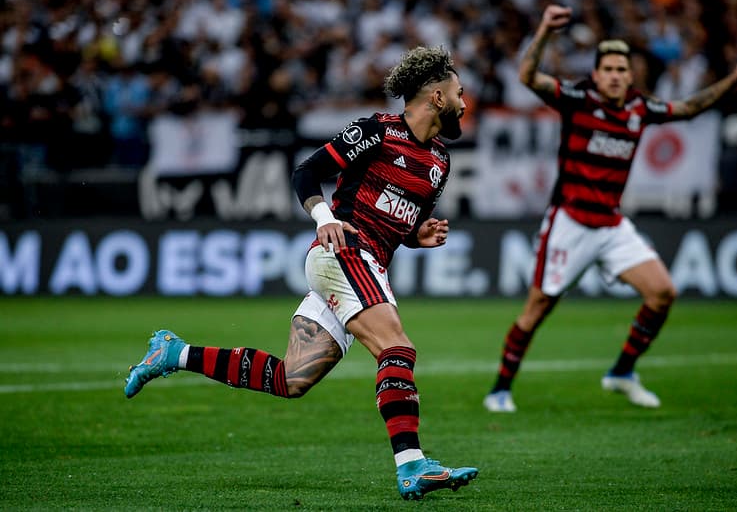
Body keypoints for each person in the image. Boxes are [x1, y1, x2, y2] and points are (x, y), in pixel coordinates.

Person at [124, 45, 478, 500]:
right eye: (459, 93)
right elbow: (306, 173)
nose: (465, 103)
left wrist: (416, 235)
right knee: (397, 346)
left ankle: (174, 354)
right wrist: (324, 218)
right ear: (435, 96)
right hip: (343, 252)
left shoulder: (440, 164)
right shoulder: (376, 131)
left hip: (366, 264)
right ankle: (411, 464)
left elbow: (397, 222)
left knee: (291, 379)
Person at [483, 5, 737, 412]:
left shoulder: (639, 109)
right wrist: (543, 31)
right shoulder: (577, 99)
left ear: (631, 75)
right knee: (538, 308)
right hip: (569, 221)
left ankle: (623, 372)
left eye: (621, 69)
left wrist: (734, 80)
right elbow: (527, 77)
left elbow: (689, 108)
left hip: (611, 226)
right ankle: (500, 389)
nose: (614, 75)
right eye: (607, 68)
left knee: (662, 292)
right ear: (596, 74)